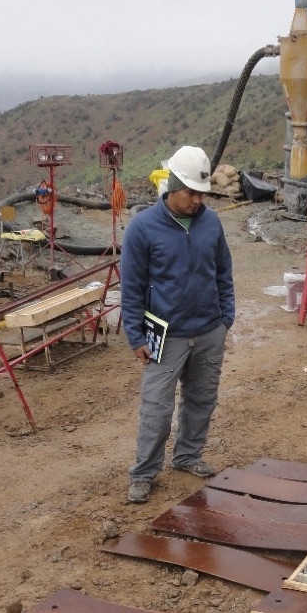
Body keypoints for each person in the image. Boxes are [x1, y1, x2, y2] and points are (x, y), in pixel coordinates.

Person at [120, 145, 235, 504]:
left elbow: (224, 272)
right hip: (165, 335)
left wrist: (225, 317)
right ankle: (144, 473)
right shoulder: (142, 228)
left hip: (208, 330)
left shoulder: (211, 222)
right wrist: (135, 335)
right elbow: (132, 286)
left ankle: (187, 455)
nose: (198, 201)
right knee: (157, 405)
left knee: (202, 399)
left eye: (202, 193)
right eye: (191, 193)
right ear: (172, 187)